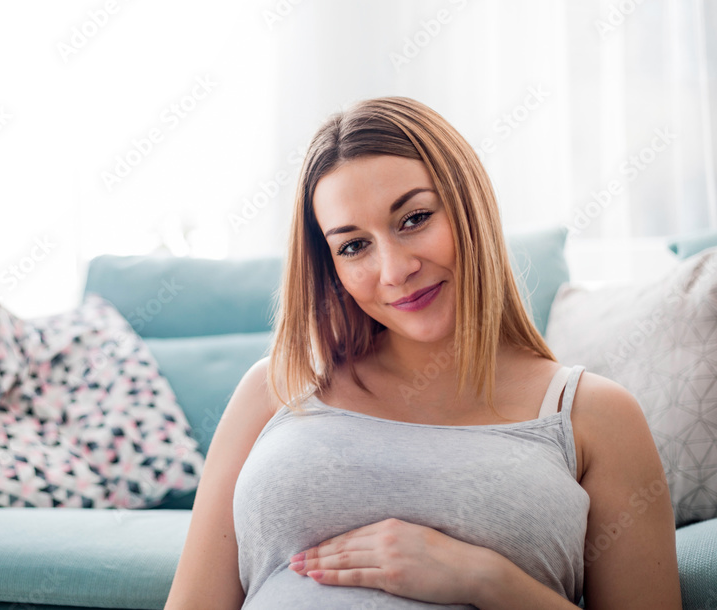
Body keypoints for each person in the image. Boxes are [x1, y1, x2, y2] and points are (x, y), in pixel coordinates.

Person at [164, 97, 681, 609]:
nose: (394, 271)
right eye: (353, 246)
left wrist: (486, 580)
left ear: (468, 206)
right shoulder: (275, 387)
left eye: (413, 219)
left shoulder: (595, 415)